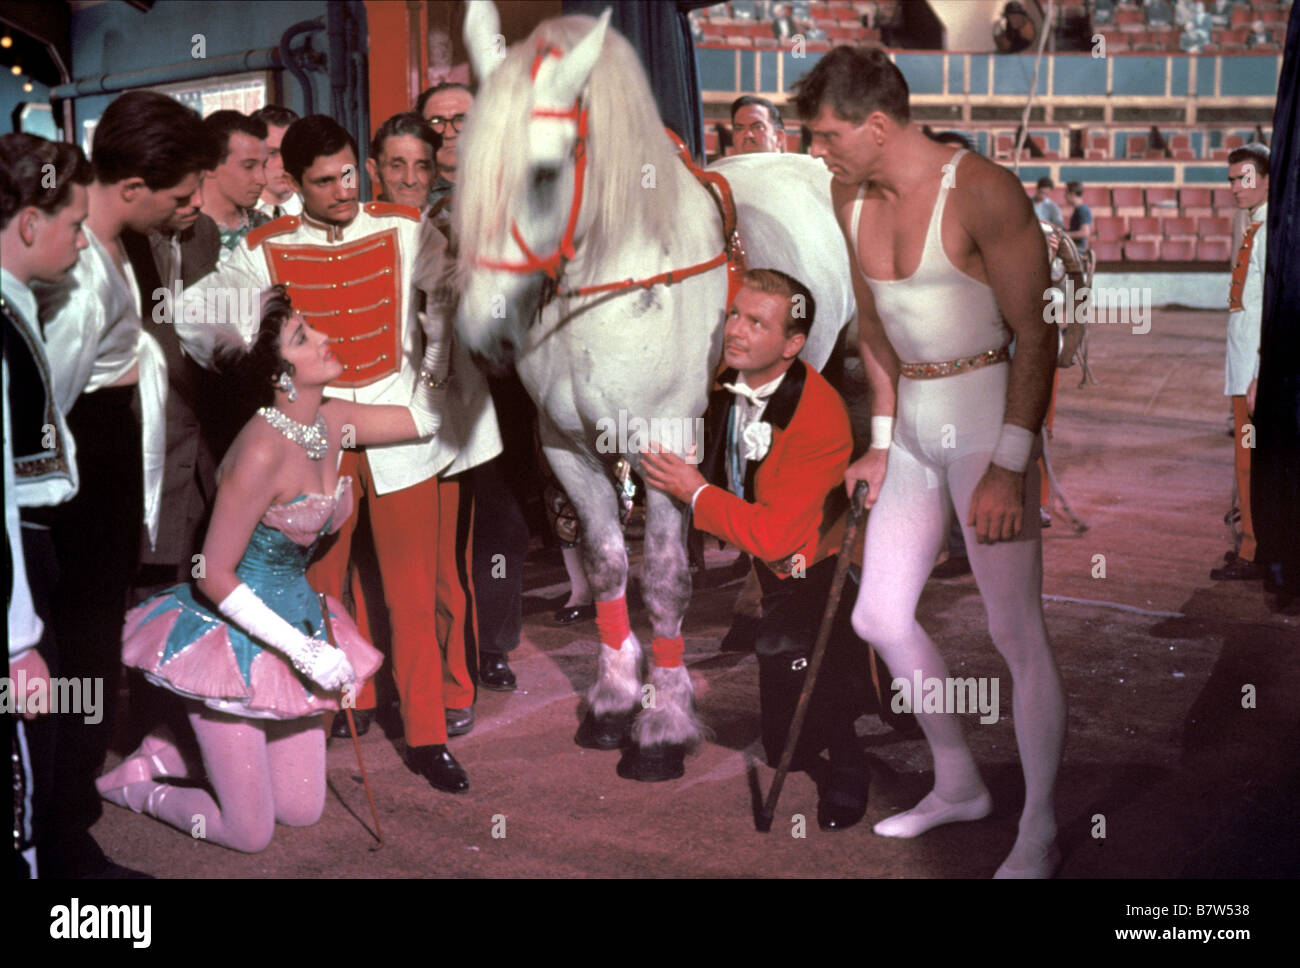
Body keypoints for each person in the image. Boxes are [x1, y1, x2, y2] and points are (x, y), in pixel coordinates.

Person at [794, 45, 1065, 877]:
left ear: (877, 126)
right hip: (911, 422)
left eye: (829, 134)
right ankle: (959, 782)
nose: (819, 149)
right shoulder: (849, 194)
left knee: (1015, 632)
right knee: (878, 616)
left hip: (988, 419)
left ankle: (1042, 828)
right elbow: (873, 331)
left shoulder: (981, 189)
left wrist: (1011, 464)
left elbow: (1036, 335)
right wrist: (879, 444)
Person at [179, 115, 501, 793]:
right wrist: (250, 361)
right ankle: (324, 721)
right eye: (324, 181)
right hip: (319, 437)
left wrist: (436, 369)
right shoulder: (266, 245)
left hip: (397, 429)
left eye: (351, 172)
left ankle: (427, 735)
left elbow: (452, 291)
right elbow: (197, 314)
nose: (344, 189)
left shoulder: (403, 227)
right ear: (293, 183)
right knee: (322, 593)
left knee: (413, 594)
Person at [97, 285, 451, 852]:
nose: (326, 339)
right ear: (282, 375)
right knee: (250, 832)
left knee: (302, 810)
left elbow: (427, 420)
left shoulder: (332, 421)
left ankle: (168, 748)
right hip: (234, 634)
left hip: (296, 617)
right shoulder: (260, 449)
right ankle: (136, 786)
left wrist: (436, 342)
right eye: (304, 337)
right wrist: (304, 650)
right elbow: (212, 573)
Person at [31, 91, 214, 878]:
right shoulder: (82, 275)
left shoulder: (116, 246)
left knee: (88, 669)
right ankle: (63, 840)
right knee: (77, 674)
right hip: (78, 499)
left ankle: (67, 812)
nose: (193, 206)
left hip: (102, 494)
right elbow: (48, 405)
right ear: (133, 187)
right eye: (180, 195)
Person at [642, 268, 887, 829]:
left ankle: (851, 768)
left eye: (757, 322)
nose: (737, 330)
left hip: (812, 563)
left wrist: (694, 490)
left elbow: (778, 538)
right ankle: (872, 687)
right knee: (784, 750)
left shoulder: (816, 417)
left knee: (802, 659)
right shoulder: (726, 377)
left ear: (792, 345)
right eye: (735, 314)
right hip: (769, 561)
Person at [2, 132, 92, 877]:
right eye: (73, 223)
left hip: (26, 551)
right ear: (29, 222)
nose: (83, 240)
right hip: (12, 565)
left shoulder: (16, 304)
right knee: (21, 794)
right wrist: (17, 639)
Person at [1211, 143, 1269, 581]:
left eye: (1244, 178)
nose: (1236, 187)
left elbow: (1273, 306)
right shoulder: (1254, 227)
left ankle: (1254, 550)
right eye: (1232, 179)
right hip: (1242, 367)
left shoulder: (1269, 234)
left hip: (1254, 370)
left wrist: (1258, 372)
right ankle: (1254, 544)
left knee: (1251, 460)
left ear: (1266, 179)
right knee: (1245, 459)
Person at [199, 110, 270, 253]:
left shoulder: (267, 227)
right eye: (249, 166)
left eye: (263, 166)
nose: (262, 180)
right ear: (211, 165)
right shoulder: (181, 235)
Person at [418, 82, 473, 218]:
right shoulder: (408, 194)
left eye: (461, 119)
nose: (449, 133)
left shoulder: (515, 187)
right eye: (436, 122)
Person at [366, 111, 439, 212]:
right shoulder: (355, 227)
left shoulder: (455, 226)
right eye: (397, 166)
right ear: (374, 171)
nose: (410, 181)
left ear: (435, 173)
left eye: (422, 167)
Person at [251, 105, 302, 220]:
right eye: (273, 153)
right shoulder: (229, 219)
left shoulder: (324, 214)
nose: (284, 164)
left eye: (291, 151)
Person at [1064, 180, 1092, 252]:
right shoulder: (1078, 209)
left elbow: (1084, 233)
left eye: (1066, 193)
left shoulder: (1082, 210)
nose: (1064, 196)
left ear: (1072, 194)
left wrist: (1065, 234)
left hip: (1077, 249)